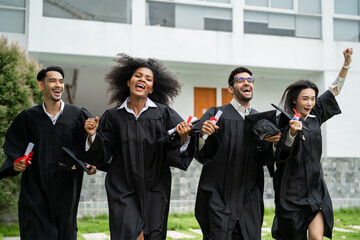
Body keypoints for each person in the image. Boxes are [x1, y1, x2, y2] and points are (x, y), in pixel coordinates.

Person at [82, 54, 196, 240]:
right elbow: (104, 152)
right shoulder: (113, 116)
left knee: (153, 233)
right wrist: (92, 134)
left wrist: (182, 136)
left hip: (155, 187)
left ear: (151, 89)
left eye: (148, 78)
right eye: (138, 76)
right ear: (128, 82)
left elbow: (175, 147)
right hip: (122, 186)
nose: (142, 79)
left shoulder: (163, 113)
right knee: (128, 233)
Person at [0, 66, 97, 239]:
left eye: (61, 81)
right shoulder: (28, 118)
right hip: (36, 189)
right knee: (35, 232)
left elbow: (95, 149)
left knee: (64, 234)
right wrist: (16, 164)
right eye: (52, 80)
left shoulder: (77, 115)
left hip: (67, 189)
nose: (58, 85)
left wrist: (91, 139)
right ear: (41, 85)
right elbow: (13, 147)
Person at [271, 48, 353, 240]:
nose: (310, 103)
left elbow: (335, 89)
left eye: (313, 99)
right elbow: (279, 154)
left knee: (317, 237)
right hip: (290, 191)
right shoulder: (281, 121)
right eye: (305, 99)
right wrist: (291, 132)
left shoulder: (315, 115)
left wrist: (346, 64)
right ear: (294, 100)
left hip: (314, 188)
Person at [193, 67, 281, 240]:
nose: (247, 82)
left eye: (250, 80)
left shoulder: (261, 120)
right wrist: (204, 134)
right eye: (240, 80)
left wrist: (276, 143)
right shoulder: (216, 114)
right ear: (231, 89)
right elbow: (198, 148)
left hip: (249, 196)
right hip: (219, 194)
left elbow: (266, 157)